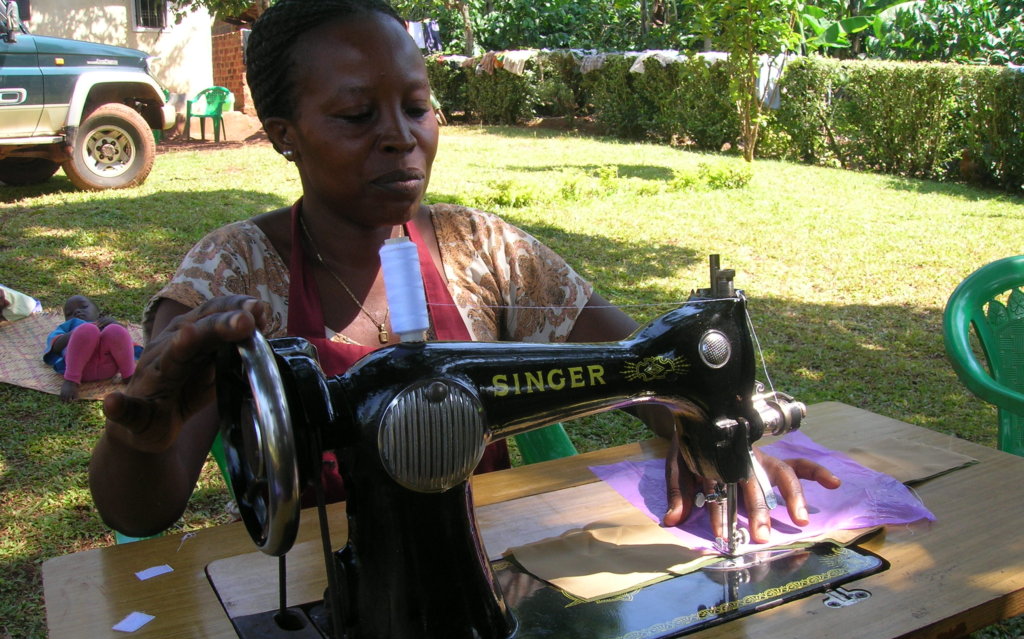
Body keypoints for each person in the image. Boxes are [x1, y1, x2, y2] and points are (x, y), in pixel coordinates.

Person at [90, 0, 838, 540]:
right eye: (357, 117)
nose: (400, 139)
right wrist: (138, 441)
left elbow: (640, 364)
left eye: (417, 107)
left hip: (503, 552)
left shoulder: (483, 248)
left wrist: (707, 429)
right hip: (330, 585)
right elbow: (139, 509)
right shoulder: (232, 274)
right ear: (283, 136)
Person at [44, 295, 139, 403]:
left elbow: (124, 345)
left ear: (99, 313)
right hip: (79, 368)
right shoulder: (68, 327)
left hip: (109, 366)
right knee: (88, 330)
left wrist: (115, 324)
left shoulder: (106, 324)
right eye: (69, 313)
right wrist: (76, 332)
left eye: (83, 307)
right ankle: (71, 381)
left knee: (116, 330)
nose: (77, 312)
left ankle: (129, 375)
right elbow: (55, 346)